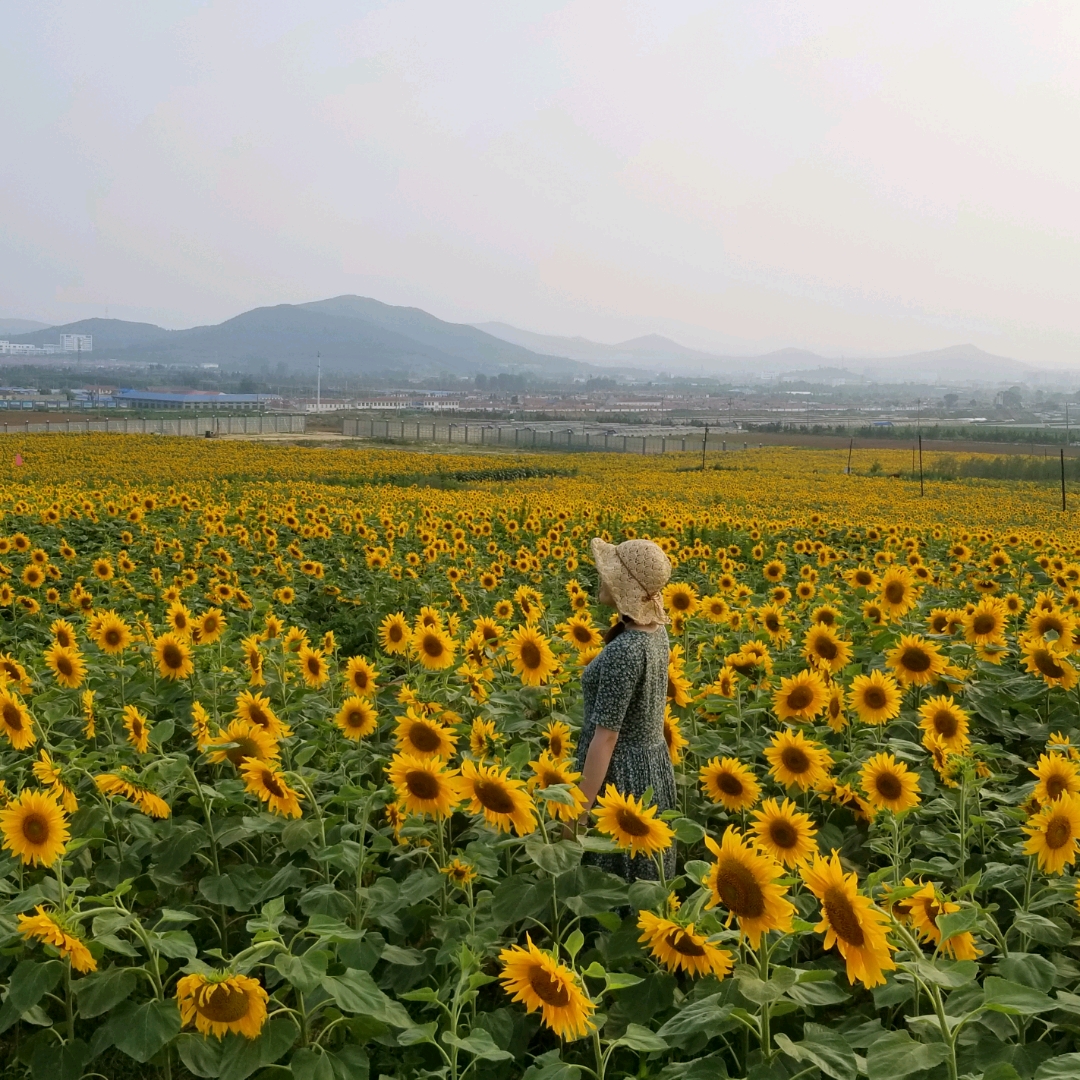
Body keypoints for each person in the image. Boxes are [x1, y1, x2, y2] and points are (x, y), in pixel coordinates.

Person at [574, 537, 676, 881]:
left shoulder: (627, 650)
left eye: (610, 572)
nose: (601, 577)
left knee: (609, 880)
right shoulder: (656, 632)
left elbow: (606, 739)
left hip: (619, 779)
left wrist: (579, 814)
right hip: (651, 767)